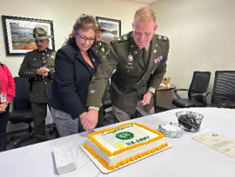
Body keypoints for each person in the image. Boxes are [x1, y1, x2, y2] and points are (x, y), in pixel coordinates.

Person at [84, 6, 170, 131]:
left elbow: (160, 70)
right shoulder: (119, 46)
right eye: (138, 32)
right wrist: (94, 107)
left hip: (145, 96)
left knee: (150, 131)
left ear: (155, 28)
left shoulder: (163, 44)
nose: (141, 38)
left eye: (147, 33)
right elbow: (102, 74)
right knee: (123, 133)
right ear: (133, 25)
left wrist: (151, 91)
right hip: (122, 95)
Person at [47, 14, 100, 137]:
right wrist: (83, 115)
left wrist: (97, 101)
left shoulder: (94, 55)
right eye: (83, 37)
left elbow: (97, 80)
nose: (87, 43)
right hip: (64, 107)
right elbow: (66, 87)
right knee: (71, 141)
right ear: (75, 33)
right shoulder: (65, 54)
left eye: (91, 38)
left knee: (85, 139)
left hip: (84, 104)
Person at [18, 27, 56, 142]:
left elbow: (63, 70)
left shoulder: (55, 54)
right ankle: (41, 142)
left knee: (59, 118)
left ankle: (60, 139)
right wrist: (36, 72)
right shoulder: (29, 56)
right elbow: (21, 72)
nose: (39, 43)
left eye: (42, 41)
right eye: (37, 41)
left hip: (54, 91)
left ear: (48, 41)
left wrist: (49, 71)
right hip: (37, 91)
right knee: (39, 121)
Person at [95, 23, 110, 127]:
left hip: (102, 83)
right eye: (96, 31)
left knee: (100, 107)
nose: (98, 34)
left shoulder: (106, 48)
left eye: (100, 32)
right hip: (88, 82)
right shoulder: (86, 48)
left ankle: (99, 128)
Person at [0, 62, 15, 151]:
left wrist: (5, 102)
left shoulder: (3, 67)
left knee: (2, 130)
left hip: (4, 105)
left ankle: (3, 153)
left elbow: (12, 85)